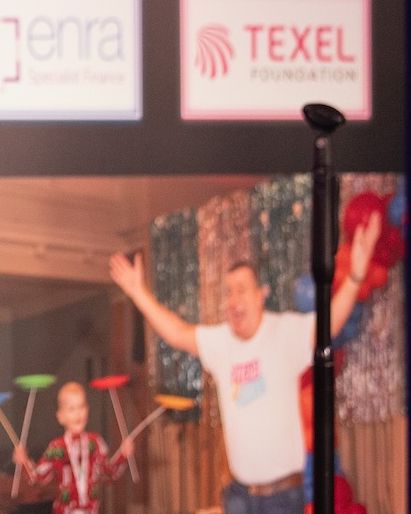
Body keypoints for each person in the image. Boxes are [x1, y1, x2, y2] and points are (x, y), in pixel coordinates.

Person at [108, 212, 382, 514]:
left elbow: (330, 323)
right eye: (228, 293)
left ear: (260, 295)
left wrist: (355, 276)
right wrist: (137, 291)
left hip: (282, 497)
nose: (233, 299)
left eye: (241, 289)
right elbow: (176, 332)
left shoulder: (284, 332)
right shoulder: (220, 342)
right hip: (239, 496)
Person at [11, 381, 130, 514]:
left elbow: (109, 474)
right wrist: (23, 462)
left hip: (91, 510)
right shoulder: (57, 447)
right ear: (61, 417)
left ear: (87, 410)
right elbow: (39, 478)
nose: (78, 413)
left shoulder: (95, 442)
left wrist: (123, 454)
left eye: (81, 407)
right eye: (71, 409)